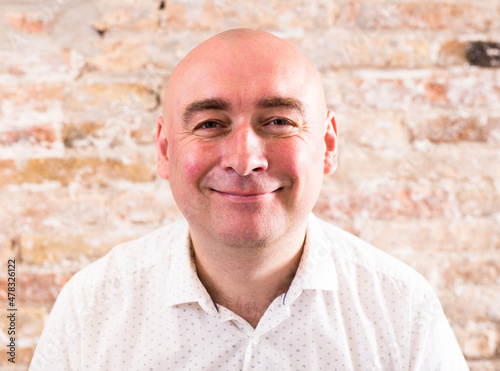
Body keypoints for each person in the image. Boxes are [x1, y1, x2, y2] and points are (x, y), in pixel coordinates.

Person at [30, 29, 468, 370]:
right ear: (165, 150)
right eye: (209, 124)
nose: (244, 160)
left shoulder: (400, 308)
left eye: (278, 121)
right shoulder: (92, 308)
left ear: (328, 145)